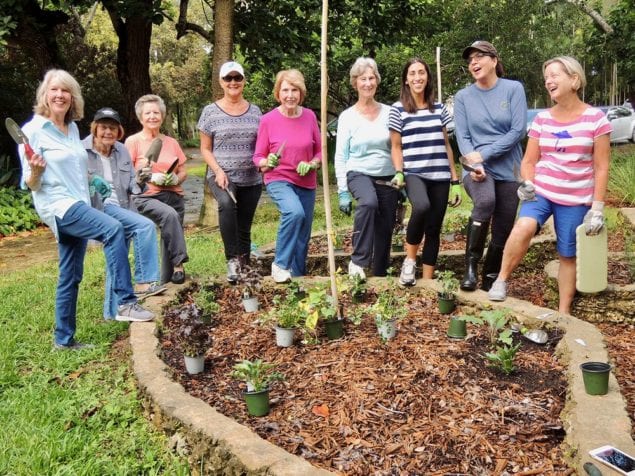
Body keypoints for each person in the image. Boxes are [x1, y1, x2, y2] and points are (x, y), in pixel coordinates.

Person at [18, 70, 154, 349]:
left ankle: (63, 340)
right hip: (58, 205)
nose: (60, 95)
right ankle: (125, 303)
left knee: (71, 274)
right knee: (113, 228)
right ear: (45, 94)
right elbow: (30, 183)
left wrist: (94, 180)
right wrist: (34, 171)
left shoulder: (70, 131)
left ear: (72, 97)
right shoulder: (33, 130)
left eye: (65, 91)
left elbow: (74, 168)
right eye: (54, 89)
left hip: (78, 200)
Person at [488, 56, 611, 314]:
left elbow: (601, 167)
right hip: (542, 190)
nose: (548, 81)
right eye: (546, 77)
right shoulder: (542, 120)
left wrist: (597, 208)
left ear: (574, 79)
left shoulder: (596, 120)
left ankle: (563, 312)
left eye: (555, 75)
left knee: (567, 253)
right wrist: (527, 183)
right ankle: (501, 280)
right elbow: (529, 161)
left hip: (577, 197)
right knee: (523, 227)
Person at [454, 41, 528, 292]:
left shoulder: (513, 89)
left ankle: (490, 277)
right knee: (485, 202)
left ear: (494, 60)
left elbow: (518, 131)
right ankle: (471, 269)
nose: (473, 63)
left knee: (504, 224)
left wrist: (483, 155)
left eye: (479, 57)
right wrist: (473, 163)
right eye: (470, 60)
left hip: (510, 167)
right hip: (475, 167)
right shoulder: (463, 97)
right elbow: (462, 137)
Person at [83, 107, 165, 320]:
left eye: (112, 128)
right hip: (97, 210)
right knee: (145, 226)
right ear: (95, 128)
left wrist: (140, 179)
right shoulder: (80, 150)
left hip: (121, 208)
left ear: (118, 131)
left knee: (116, 255)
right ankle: (143, 282)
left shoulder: (121, 151)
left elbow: (131, 186)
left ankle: (112, 312)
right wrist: (90, 181)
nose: (107, 132)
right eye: (103, 127)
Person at [389, 58, 461, 286]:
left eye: (421, 72)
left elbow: (447, 145)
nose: (417, 77)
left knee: (434, 228)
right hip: (414, 173)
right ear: (406, 80)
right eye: (412, 73)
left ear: (428, 77)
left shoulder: (439, 108)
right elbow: (396, 146)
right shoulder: (397, 109)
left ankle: (428, 280)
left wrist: (455, 179)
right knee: (421, 207)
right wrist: (399, 172)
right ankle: (409, 262)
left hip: (440, 175)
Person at [253, 69, 322, 283]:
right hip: (279, 178)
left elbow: (320, 152)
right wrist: (267, 161)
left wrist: (311, 163)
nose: (290, 95)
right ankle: (280, 264)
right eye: (285, 90)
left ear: (301, 93)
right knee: (294, 213)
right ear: (278, 93)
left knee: (303, 235)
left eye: (294, 90)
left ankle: (298, 279)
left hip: (306, 182)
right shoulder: (268, 120)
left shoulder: (310, 116)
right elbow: (258, 157)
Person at [197, 61, 262, 283]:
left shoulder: (255, 111)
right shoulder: (210, 112)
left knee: (244, 224)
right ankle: (232, 260)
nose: (233, 82)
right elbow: (205, 148)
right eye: (228, 78)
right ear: (221, 82)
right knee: (226, 206)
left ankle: (245, 264)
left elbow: (263, 145)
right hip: (221, 175)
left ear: (243, 81)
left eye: (237, 78)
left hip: (252, 178)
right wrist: (217, 170)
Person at [334, 57, 398, 280]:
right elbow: (340, 156)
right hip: (358, 173)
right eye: (363, 79)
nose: (368, 83)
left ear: (377, 81)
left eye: (371, 78)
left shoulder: (391, 113)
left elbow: (398, 148)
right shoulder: (347, 117)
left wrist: (403, 174)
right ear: (355, 83)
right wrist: (342, 190)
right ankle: (358, 261)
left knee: (386, 225)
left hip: (388, 174)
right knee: (369, 203)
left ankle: (379, 275)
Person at [125, 94, 189, 285]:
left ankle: (167, 280)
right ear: (140, 117)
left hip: (173, 193)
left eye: (156, 112)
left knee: (170, 234)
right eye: (148, 113)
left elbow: (183, 170)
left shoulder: (171, 142)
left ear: (162, 115)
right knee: (169, 216)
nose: (153, 116)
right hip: (147, 195)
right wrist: (149, 176)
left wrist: (176, 177)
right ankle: (180, 263)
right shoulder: (133, 141)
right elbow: (128, 174)